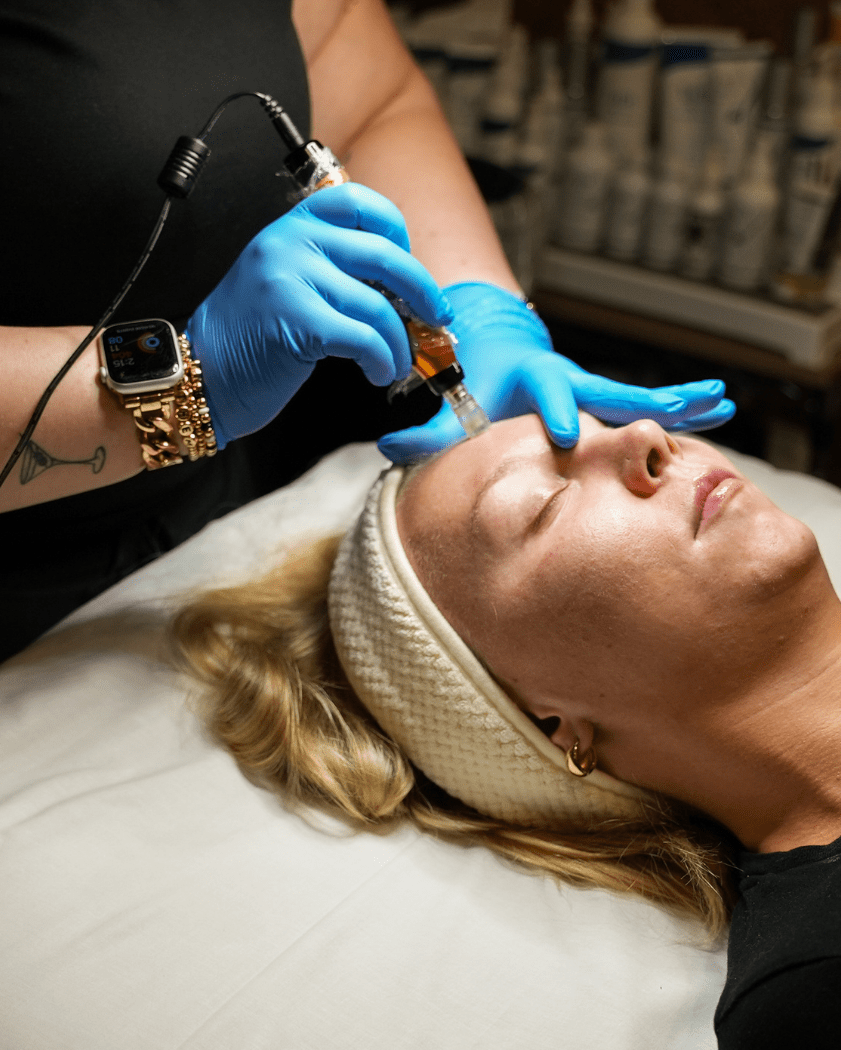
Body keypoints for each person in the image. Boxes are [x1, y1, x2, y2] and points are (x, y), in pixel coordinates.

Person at [174, 413, 841, 1050]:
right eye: (543, 502)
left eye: (602, 420)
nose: (643, 435)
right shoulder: (840, 987)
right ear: (545, 723)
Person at [0, 0, 733, 661]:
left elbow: (371, 97)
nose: (640, 438)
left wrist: (484, 312)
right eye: (538, 505)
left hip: (207, 525)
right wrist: (185, 383)